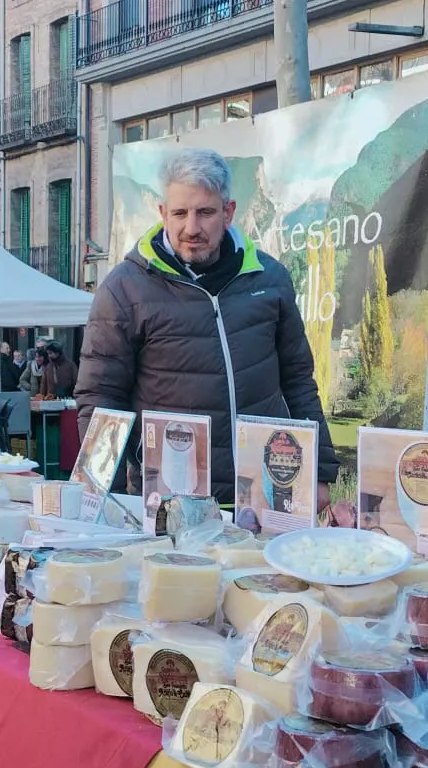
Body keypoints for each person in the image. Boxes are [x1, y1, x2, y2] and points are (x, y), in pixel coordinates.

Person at [76, 148, 337, 502]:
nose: (191, 228)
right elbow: (101, 399)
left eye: (205, 212)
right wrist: (108, 497)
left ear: (228, 213)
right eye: (180, 213)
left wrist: (319, 472)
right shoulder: (124, 289)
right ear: (163, 213)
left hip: (263, 497)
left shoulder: (269, 278)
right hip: (172, 503)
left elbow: (298, 382)